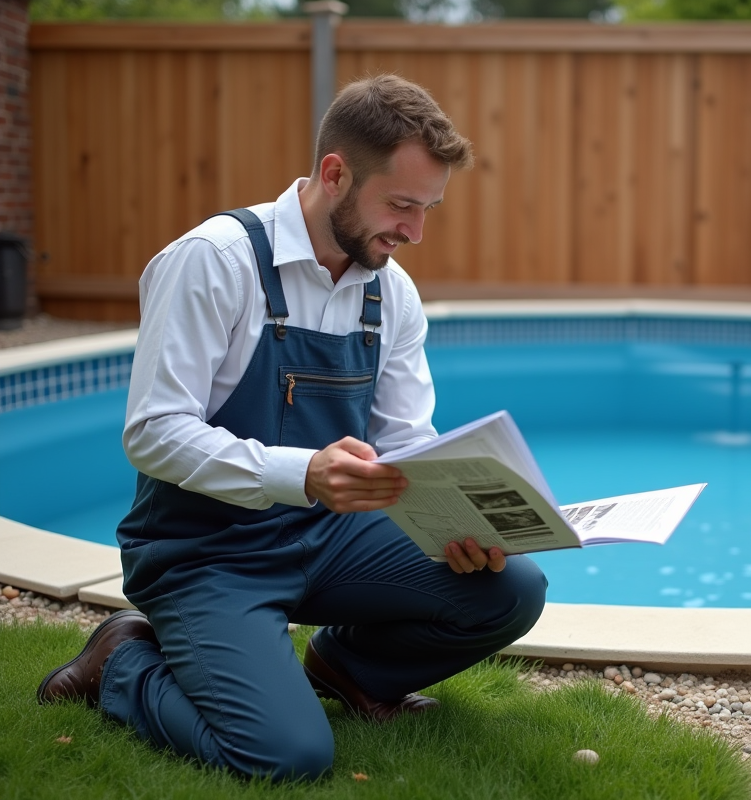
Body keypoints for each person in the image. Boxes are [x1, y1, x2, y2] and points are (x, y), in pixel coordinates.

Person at [36, 74, 548, 781]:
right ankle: (119, 664)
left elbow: (405, 443)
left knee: (512, 587)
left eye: (428, 209)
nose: (414, 232)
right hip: (206, 552)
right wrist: (300, 472)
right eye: (401, 205)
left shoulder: (390, 289)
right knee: (286, 758)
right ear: (335, 174)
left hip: (330, 539)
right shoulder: (213, 262)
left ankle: (352, 671)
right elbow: (152, 432)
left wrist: (453, 521)